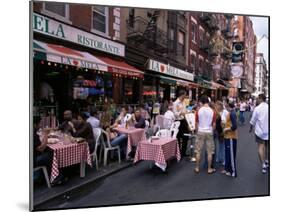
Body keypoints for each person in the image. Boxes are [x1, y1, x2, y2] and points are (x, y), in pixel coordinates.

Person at [194, 95, 216, 174]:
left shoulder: (198, 110)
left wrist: (197, 131)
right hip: (209, 131)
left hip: (200, 131)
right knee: (210, 152)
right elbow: (214, 124)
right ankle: (209, 169)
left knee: (198, 151)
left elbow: (196, 123)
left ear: (202, 102)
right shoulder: (212, 111)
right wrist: (211, 130)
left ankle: (197, 167)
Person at [249, 94, 269, 174]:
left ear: (260, 99)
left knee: (261, 147)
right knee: (267, 147)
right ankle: (267, 160)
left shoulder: (257, 108)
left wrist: (250, 128)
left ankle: (263, 164)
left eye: (257, 98)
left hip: (260, 131)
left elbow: (253, 120)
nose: (257, 100)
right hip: (268, 131)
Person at [222, 101, 238, 177]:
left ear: (228, 106)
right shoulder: (231, 113)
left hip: (231, 137)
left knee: (231, 155)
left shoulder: (232, 113)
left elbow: (234, 126)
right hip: (228, 136)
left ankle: (233, 171)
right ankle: (227, 169)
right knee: (228, 154)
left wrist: (226, 129)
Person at [173, 90, 190, 158]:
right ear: (182, 95)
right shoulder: (176, 103)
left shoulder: (183, 102)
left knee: (186, 137)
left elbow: (185, 110)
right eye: (185, 95)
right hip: (178, 121)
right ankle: (178, 152)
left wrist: (188, 112)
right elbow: (175, 113)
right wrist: (180, 113)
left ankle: (183, 152)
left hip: (184, 120)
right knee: (178, 137)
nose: (185, 96)